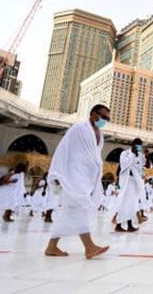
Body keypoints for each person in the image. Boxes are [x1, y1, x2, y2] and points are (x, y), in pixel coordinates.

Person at [43, 104, 110, 259]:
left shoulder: (99, 133)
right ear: (93, 114)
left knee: (69, 211)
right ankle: (89, 246)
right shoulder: (79, 129)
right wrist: (59, 174)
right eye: (103, 116)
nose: (104, 120)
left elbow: (94, 156)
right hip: (73, 176)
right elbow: (64, 151)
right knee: (81, 206)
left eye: (107, 118)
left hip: (87, 177)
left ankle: (51, 246)